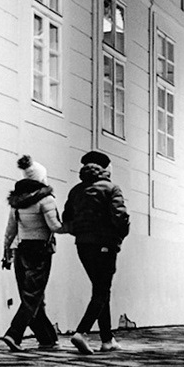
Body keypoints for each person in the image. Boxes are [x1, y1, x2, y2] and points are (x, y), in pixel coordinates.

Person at [63, 150, 130, 354]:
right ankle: (81, 332)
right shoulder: (112, 188)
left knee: (100, 290)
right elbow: (120, 217)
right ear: (106, 168)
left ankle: (107, 340)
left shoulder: (75, 191)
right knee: (102, 290)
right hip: (105, 244)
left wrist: (80, 233)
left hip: (83, 246)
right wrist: (119, 236)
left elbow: (67, 218)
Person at [0, 155, 63, 352]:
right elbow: (55, 226)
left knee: (33, 297)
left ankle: (47, 338)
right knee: (33, 297)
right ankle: (14, 333)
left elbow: (10, 231)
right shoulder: (47, 200)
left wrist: (6, 253)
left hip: (21, 249)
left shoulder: (17, 202)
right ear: (41, 179)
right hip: (40, 250)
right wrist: (73, 226)